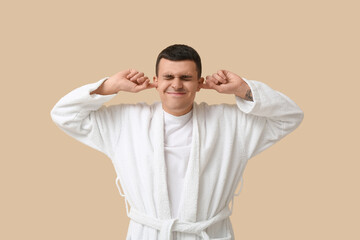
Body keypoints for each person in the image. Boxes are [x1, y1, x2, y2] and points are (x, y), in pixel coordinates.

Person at [51, 44, 304, 240]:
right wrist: (109, 86)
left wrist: (243, 89)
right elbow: (63, 114)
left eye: (186, 77)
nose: (176, 84)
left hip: (208, 233)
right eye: (168, 76)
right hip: (149, 233)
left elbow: (289, 117)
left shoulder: (230, 124)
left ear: (199, 83)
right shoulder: (125, 122)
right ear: (156, 81)